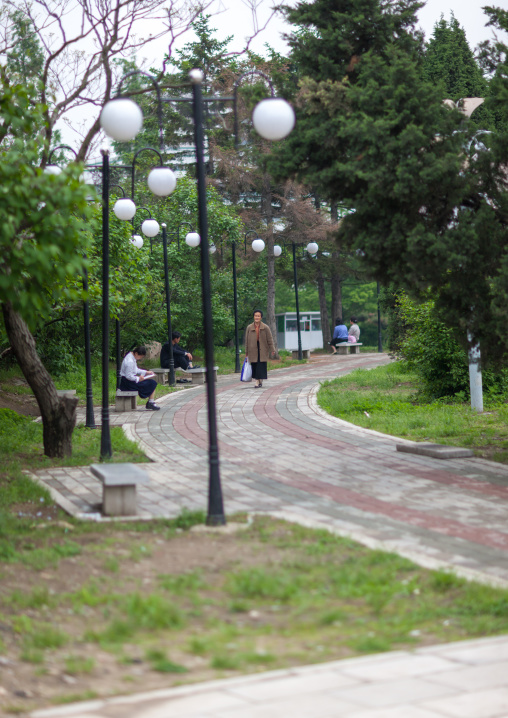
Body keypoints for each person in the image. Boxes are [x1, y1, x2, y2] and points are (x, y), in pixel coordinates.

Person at [119, 345, 160, 411]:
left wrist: (146, 372)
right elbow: (128, 376)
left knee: (151, 382)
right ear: (136, 353)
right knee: (152, 383)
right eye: (140, 356)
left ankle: (151, 402)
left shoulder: (132, 357)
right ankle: (151, 402)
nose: (140, 358)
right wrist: (138, 378)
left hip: (129, 381)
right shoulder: (130, 361)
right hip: (128, 383)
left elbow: (135, 370)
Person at [244, 309, 275, 388]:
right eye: (255, 316)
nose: (257, 317)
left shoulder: (265, 327)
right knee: (255, 365)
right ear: (253, 317)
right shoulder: (249, 327)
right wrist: (246, 351)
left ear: (261, 317)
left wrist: (272, 349)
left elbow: (270, 339)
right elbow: (246, 340)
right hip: (252, 349)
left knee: (261, 365)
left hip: (262, 348)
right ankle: (258, 380)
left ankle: (259, 380)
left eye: (258, 316)